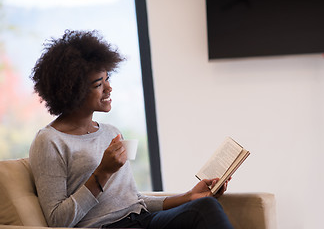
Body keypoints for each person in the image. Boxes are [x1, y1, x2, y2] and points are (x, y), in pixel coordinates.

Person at [29, 30, 233, 229]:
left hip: (141, 219)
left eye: (107, 78)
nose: (109, 88)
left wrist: (189, 196)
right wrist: (102, 173)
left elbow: (131, 200)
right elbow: (57, 221)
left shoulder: (111, 132)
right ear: (73, 90)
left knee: (204, 206)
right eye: (99, 83)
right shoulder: (49, 141)